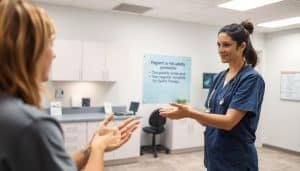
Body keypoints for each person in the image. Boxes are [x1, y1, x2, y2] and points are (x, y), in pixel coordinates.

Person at [0, 0, 139, 171]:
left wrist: (90, 148)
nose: (54, 54)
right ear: (28, 49)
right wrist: (98, 149)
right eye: (49, 44)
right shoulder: (32, 126)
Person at [160, 20, 265, 171]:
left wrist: (190, 113)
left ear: (242, 46)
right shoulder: (218, 78)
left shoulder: (251, 79)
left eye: (226, 45)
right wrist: (187, 113)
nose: (221, 49)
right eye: (218, 44)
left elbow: (229, 122)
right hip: (213, 158)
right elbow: (208, 119)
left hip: (237, 161)